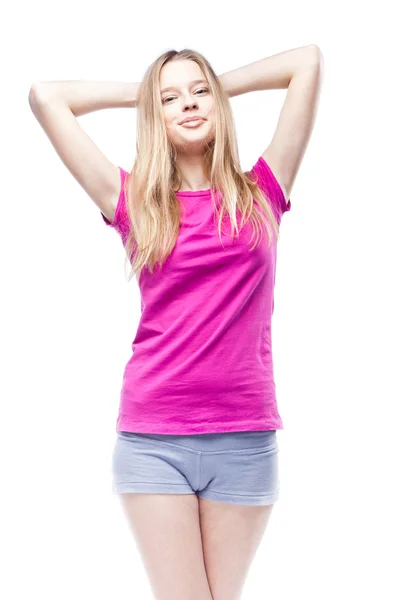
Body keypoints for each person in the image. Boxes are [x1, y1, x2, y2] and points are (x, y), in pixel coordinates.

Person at [29, 45, 323, 600]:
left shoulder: (263, 189)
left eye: (198, 92)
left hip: (246, 439)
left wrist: (218, 87)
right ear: (153, 115)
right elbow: (46, 97)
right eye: (170, 98)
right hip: (152, 438)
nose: (187, 104)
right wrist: (145, 96)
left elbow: (306, 62)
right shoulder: (133, 199)